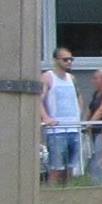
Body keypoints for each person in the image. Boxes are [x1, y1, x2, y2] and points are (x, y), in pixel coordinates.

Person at [40, 49, 83, 185]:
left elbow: (79, 97)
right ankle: (51, 192)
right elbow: (38, 99)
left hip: (73, 128)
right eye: (65, 59)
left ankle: (67, 193)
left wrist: (78, 116)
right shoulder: (48, 77)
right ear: (56, 60)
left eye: (71, 59)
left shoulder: (71, 78)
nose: (69, 62)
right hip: (56, 130)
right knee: (56, 169)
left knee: (69, 169)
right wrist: (46, 117)